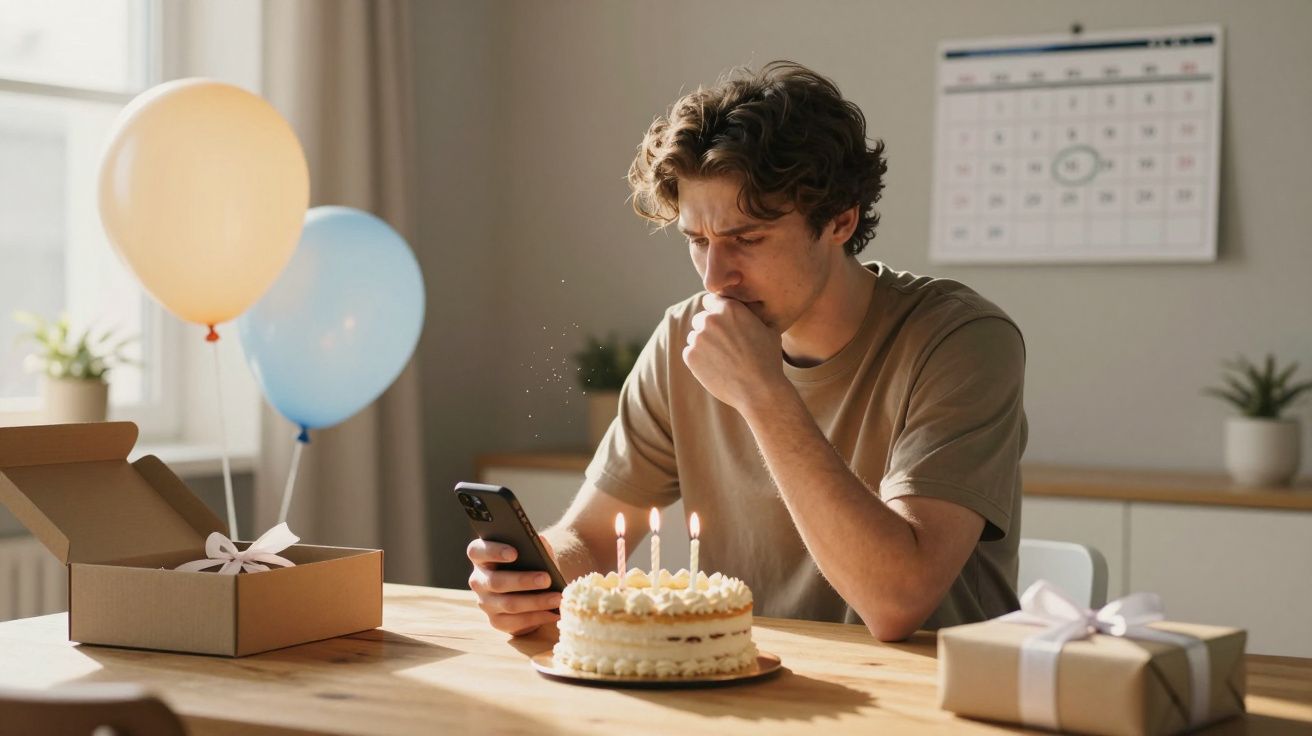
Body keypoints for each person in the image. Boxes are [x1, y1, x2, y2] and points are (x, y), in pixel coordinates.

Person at [467, 60, 1027, 641]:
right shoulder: (683, 336)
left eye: (748, 239)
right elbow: (589, 536)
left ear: (840, 220)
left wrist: (762, 392)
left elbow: (897, 602)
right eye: (698, 241)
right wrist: (533, 578)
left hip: (927, 700)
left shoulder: (962, 339)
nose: (715, 278)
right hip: (740, 684)